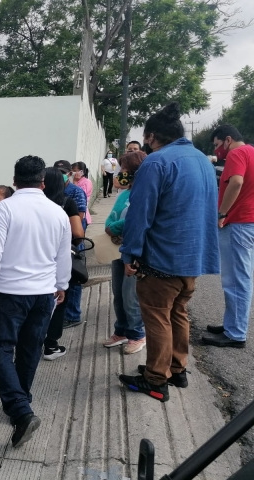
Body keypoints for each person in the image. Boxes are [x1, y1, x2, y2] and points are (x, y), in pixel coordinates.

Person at [119, 102, 219, 402]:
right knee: (179, 313)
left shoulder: (156, 162)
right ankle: (176, 369)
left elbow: (140, 213)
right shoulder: (202, 159)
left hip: (162, 258)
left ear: (150, 137)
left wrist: (130, 253)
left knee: (157, 317)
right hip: (193, 257)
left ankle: (155, 380)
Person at [0, 155, 71, 448]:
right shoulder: (58, 212)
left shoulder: (6, 208)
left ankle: (20, 410)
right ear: (43, 181)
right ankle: (22, 403)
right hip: (43, 294)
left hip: (11, 293)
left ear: (14, 181)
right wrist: (62, 284)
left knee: (0, 348)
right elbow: (63, 254)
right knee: (30, 349)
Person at [203, 125, 254, 348]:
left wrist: (222, 212)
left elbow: (237, 181)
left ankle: (235, 334)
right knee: (237, 278)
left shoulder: (237, 153)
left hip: (238, 222)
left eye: (217, 145)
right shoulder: (251, 151)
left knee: (236, 280)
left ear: (228, 140)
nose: (217, 150)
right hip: (247, 221)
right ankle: (231, 324)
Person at [103, 151, 147, 355]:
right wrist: (110, 228)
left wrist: (116, 227)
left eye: (125, 170)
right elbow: (110, 218)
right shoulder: (124, 194)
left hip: (135, 251)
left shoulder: (145, 193)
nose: (121, 173)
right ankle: (120, 331)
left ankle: (137, 334)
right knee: (118, 294)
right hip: (117, 250)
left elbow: (135, 220)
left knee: (131, 296)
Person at [41, 167, 84, 361]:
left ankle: (29, 342)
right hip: (57, 261)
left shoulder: (30, 205)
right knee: (58, 302)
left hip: (34, 261)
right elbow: (78, 234)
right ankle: (50, 346)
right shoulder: (67, 203)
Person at [54, 160, 87, 328]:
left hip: (73, 242)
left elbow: (79, 221)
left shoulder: (75, 192)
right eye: (57, 171)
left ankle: (73, 315)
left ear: (69, 173)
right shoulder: (51, 190)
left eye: (64, 171)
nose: (61, 174)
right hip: (56, 242)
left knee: (73, 278)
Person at [70, 162, 93, 231]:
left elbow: (80, 195)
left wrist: (75, 183)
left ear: (81, 171)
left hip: (81, 213)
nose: (73, 172)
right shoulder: (75, 180)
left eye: (74, 170)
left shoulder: (87, 182)